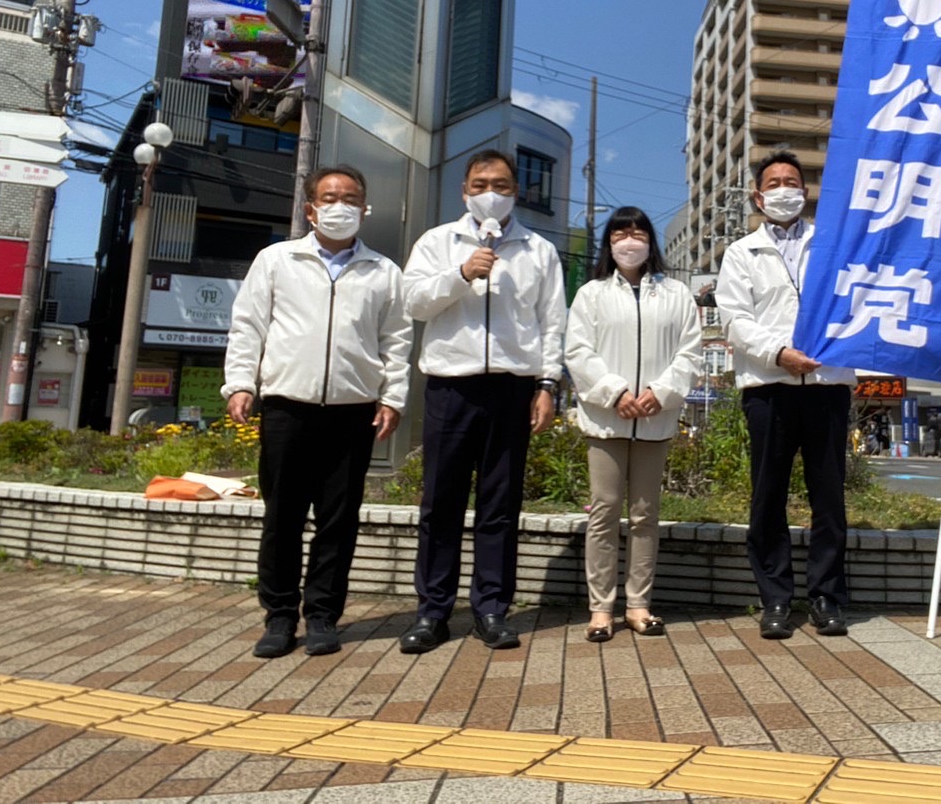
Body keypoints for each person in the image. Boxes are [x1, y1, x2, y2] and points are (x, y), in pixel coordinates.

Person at [716, 150, 941, 641]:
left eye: (791, 182)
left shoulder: (835, 246)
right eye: (773, 183)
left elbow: (880, 298)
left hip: (828, 386)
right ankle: (775, 600)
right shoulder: (740, 253)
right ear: (757, 196)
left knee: (829, 499)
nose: (783, 190)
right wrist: (778, 353)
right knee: (767, 497)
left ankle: (826, 597)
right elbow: (734, 319)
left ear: (805, 192)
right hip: (768, 388)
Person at [223, 166, 412, 659]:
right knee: (282, 518)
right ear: (310, 209)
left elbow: (396, 341)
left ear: (364, 209)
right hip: (287, 407)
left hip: (353, 411)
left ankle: (324, 616)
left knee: (338, 521)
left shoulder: (383, 271)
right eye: (329, 198)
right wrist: (240, 383)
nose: (339, 206)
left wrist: (393, 396)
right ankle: (280, 617)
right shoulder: (277, 260)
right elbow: (248, 326)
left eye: (350, 198)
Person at [399, 150, 568, 653]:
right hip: (451, 385)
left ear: (515, 192)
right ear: (464, 191)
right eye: (479, 184)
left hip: (513, 388)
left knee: (500, 505)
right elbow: (413, 302)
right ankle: (432, 611)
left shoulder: (539, 250)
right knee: (440, 503)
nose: (489, 193)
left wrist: (547, 385)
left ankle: (492, 609)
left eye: (500, 184)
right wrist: (460, 273)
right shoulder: (437, 242)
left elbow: (552, 322)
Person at [564, 207, 702, 643]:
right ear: (609, 242)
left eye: (638, 233)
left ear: (650, 241)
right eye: (620, 233)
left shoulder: (676, 294)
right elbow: (578, 352)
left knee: (645, 514)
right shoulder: (591, 294)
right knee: (604, 510)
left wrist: (662, 391)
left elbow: (690, 352)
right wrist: (614, 392)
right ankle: (601, 609)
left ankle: (639, 604)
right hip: (606, 420)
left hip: (655, 420)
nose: (630, 240)